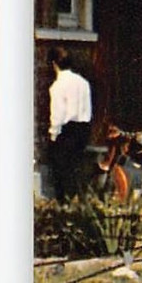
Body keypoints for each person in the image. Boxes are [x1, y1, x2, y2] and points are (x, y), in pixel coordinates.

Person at [47, 46, 92, 200]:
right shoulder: (83, 83)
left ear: (54, 64)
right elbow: (88, 109)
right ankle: (77, 201)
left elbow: (58, 114)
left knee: (61, 172)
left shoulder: (58, 86)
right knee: (75, 169)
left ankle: (64, 205)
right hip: (83, 129)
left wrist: (53, 135)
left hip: (67, 131)